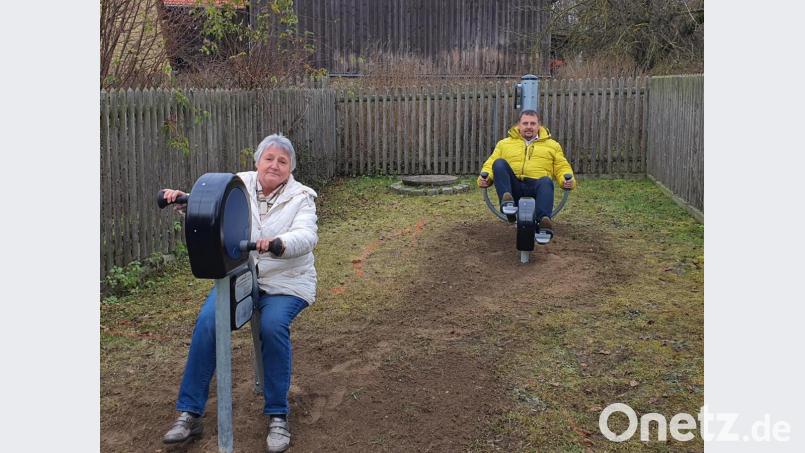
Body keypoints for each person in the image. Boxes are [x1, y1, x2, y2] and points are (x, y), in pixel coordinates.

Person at [160, 134, 318, 453]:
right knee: (208, 323)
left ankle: (277, 415)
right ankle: (189, 413)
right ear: (257, 161)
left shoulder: (302, 197)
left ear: (290, 169)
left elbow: (307, 235)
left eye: (282, 161)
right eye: (269, 158)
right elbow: (214, 206)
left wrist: (279, 243)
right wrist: (186, 200)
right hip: (241, 275)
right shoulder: (237, 185)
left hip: (287, 281)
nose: (274, 165)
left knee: (273, 327)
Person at [478, 109, 576, 235]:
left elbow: (562, 166)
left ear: (539, 125)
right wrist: (485, 178)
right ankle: (508, 204)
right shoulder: (504, 144)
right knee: (499, 163)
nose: (529, 127)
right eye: (525, 123)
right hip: (513, 187)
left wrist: (567, 180)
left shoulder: (552, 145)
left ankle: (543, 222)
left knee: (546, 181)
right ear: (519, 125)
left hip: (537, 187)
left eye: (532, 123)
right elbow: (490, 163)